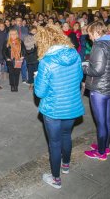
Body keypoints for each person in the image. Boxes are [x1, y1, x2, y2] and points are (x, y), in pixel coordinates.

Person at [34, 25, 84, 189]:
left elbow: (40, 92)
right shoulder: (75, 55)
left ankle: (56, 179)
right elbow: (79, 77)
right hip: (72, 105)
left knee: (54, 143)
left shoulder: (46, 62)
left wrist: (37, 79)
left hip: (54, 108)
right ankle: (66, 165)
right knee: (66, 135)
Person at [83, 21, 110, 161]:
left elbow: (97, 70)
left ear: (95, 32)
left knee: (101, 122)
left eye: (89, 33)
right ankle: (105, 146)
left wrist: (84, 67)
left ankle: (100, 153)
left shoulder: (99, 45)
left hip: (99, 88)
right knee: (108, 119)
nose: (89, 37)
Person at [24, 26, 39, 91]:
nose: (34, 32)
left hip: (37, 56)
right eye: (33, 31)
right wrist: (34, 40)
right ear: (30, 31)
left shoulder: (39, 37)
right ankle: (31, 83)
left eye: (35, 31)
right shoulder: (27, 37)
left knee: (37, 71)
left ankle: (37, 84)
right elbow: (27, 45)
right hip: (30, 56)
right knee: (30, 71)